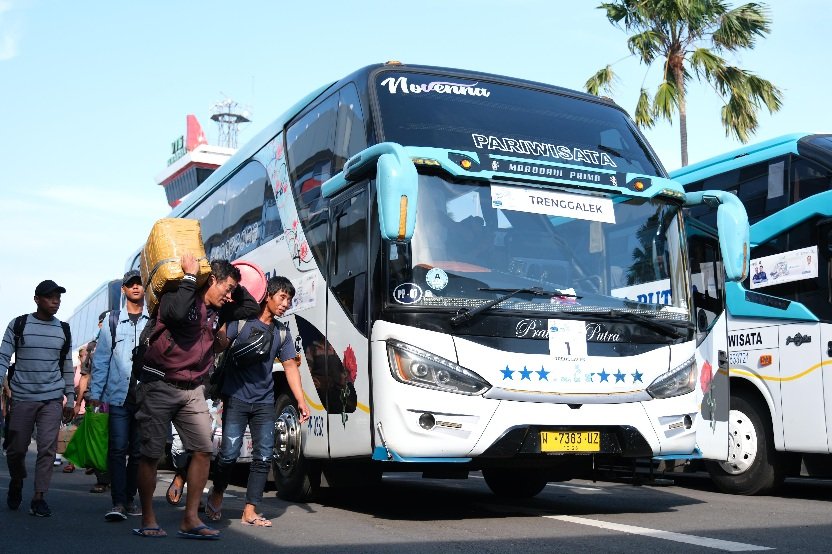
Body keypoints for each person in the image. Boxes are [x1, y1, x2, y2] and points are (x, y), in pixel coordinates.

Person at [133, 255, 257, 539]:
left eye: (231, 292)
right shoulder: (176, 295)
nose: (229, 297)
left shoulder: (220, 310)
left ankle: (190, 519)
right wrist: (191, 277)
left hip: (193, 390)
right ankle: (149, 518)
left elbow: (250, 307)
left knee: (203, 449)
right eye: (225, 289)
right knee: (151, 454)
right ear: (210, 280)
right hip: (159, 384)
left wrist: (233, 283)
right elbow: (175, 314)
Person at [206, 276, 310, 528]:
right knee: (229, 454)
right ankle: (217, 494)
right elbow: (215, 346)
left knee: (263, 457)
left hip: (264, 402)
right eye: (282, 297)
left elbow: (289, 367)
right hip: (237, 399)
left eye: (289, 300)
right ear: (268, 296)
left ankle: (249, 511)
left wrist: (300, 400)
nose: (286, 304)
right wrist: (220, 326)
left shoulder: (282, 333)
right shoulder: (240, 323)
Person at [0, 280, 75, 517]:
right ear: (37, 299)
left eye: (58, 297)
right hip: (22, 397)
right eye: (50, 297)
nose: (56, 301)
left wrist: (70, 398)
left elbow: (66, 365)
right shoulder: (19, 324)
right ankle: (17, 480)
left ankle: (39, 497)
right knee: (16, 450)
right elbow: (3, 356)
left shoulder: (63, 329)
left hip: (51, 398)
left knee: (47, 449)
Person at [89, 270, 150, 521]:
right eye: (130, 284)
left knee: (138, 452)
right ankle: (117, 502)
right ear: (123, 290)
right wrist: (95, 393)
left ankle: (129, 498)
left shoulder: (154, 320)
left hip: (145, 397)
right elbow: (101, 360)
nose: (135, 287)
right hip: (118, 397)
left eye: (139, 283)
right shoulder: (113, 321)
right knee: (117, 449)